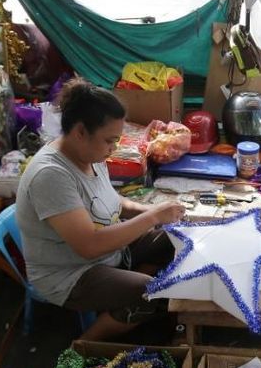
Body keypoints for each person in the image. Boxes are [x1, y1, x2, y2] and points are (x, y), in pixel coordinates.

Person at [15, 78, 186, 341]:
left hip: (109, 252)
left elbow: (116, 202)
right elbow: (89, 246)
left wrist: (156, 213)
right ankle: (84, 346)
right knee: (155, 291)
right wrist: (153, 216)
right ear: (80, 131)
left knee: (178, 238)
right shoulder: (51, 175)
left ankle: (129, 291)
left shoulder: (91, 155)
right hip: (71, 274)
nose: (114, 148)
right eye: (110, 140)